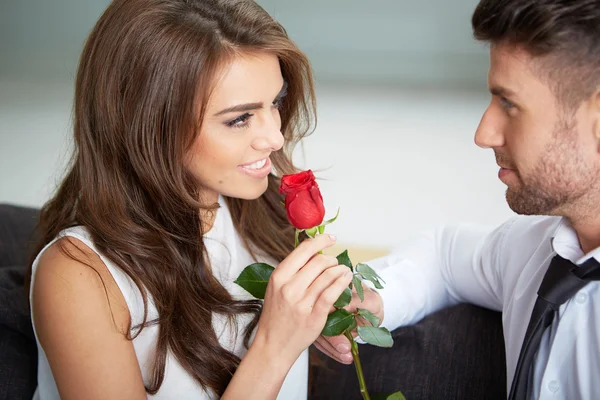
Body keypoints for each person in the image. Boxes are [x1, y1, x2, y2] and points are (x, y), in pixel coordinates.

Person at [26, 0, 353, 399]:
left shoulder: (258, 211)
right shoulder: (80, 277)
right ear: (148, 124)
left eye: (276, 102)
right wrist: (275, 347)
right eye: (239, 119)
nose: (276, 138)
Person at [316, 0, 600, 398]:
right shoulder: (540, 250)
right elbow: (444, 254)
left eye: (509, 104)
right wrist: (378, 300)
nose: (483, 134)